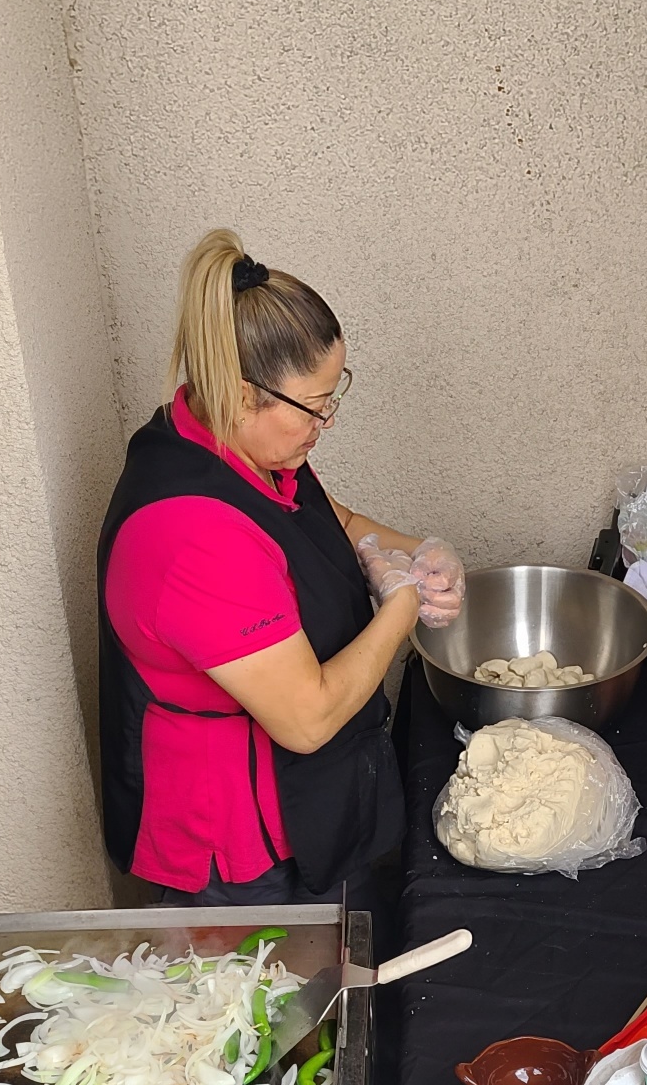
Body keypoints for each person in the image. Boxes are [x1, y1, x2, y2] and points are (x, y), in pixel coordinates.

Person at [97, 228, 464, 907]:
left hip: (312, 797)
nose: (324, 424)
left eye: (333, 398)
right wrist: (403, 606)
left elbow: (336, 522)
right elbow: (308, 718)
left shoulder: (240, 446)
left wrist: (419, 550)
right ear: (242, 396)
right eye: (314, 408)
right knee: (267, 1004)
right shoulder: (192, 534)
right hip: (236, 848)